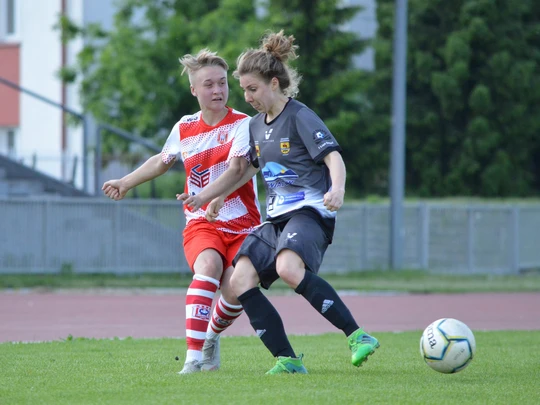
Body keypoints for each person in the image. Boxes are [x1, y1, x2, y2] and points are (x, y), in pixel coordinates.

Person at [177, 31, 379, 375]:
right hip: (276, 219)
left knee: (288, 268)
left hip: (310, 213)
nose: (246, 97)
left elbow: (333, 157)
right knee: (240, 281)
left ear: (274, 84)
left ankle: (358, 336)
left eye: (252, 89)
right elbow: (248, 170)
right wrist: (220, 195)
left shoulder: (300, 116)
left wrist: (339, 189)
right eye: (243, 90)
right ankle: (287, 359)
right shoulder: (255, 126)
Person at [102, 49, 261, 374]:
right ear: (194, 90)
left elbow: (237, 169)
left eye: (221, 83)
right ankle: (192, 360)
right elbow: (162, 161)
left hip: (243, 225)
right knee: (208, 265)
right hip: (201, 222)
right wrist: (126, 181)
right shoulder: (185, 127)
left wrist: (203, 195)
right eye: (208, 85)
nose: (217, 90)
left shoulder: (242, 124)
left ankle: (211, 337)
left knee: (236, 288)